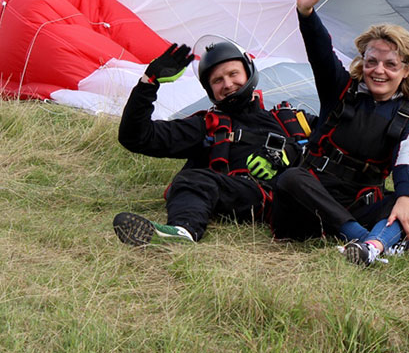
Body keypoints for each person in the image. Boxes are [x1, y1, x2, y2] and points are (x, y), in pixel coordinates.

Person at [272, 0, 409, 266]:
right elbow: (320, 52)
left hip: (360, 202)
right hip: (309, 206)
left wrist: (405, 197)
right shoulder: (339, 88)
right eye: (372, 61)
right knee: (291, 178)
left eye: (390, 64)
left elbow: (404, 165)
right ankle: (371, 240)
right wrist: (306, 14)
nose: (379, 71)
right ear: (363, 61)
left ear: (405, 70)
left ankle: (371, 243)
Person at [113, 38, 314, 246]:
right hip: (242, 194)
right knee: (191, 179)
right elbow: (136, 137)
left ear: (248, 72)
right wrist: (149, 82)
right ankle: (182, 231)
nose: (227, 84)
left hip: (292, 200)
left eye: (233, 74)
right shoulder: (207, 125)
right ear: (210, 89)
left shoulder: (290, 120)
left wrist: (290, 152)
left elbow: (340, 137)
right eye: (217, 80)